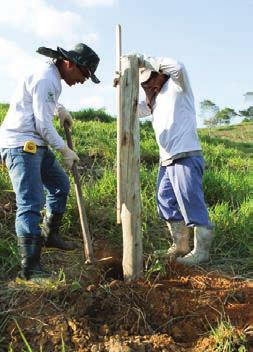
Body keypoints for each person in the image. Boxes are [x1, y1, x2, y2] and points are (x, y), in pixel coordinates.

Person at [0, 43, 100, 280]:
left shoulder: (52, 77)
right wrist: (64, 149)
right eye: (84, 74)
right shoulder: (47, 77)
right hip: (21, 144)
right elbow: (42, 125)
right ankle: (30, 268)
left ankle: (49, 235)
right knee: (31, 202)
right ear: (70, 63)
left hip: (37, 144)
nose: (84, 80)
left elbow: (45, 102)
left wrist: (60, 109)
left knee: (59, 186)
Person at [136, 55, 214, 266]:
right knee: (165, 199)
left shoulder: (177, 86)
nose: (147, 85)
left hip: (186, 154)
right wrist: (121, 85)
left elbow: (178, 67)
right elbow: (131, 109)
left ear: (158, 74)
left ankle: (201, 252)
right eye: (143, 83)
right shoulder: (154, 98)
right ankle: (180, 245)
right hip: (166, 159)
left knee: (190, 200)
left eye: (149, 79)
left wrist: (147, 60)